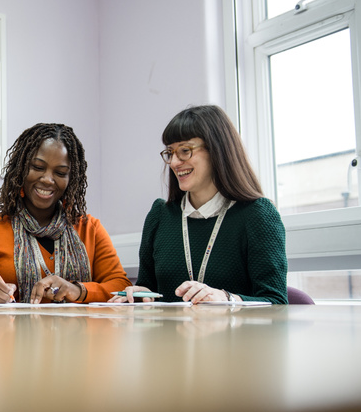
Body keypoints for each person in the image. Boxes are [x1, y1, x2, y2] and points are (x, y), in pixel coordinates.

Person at [111, 105, 287, 305]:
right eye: (170, 153)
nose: (174, 162)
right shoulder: (160, 215)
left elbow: (276, 302)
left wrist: (226, 299)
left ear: (217, 150)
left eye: (185, 151)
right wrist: (140, 294)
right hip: (167, 336)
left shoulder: (257, 214)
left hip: (234, 336)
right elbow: (149, 288)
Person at [0, 123, 131, 305]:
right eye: (38, 167)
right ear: (21, 169)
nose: (48, 179)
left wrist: (76, 290)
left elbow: (120, 286)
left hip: (80, 333)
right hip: (11, 333)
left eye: (60, 172)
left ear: (71, 179)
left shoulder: (90, 229)